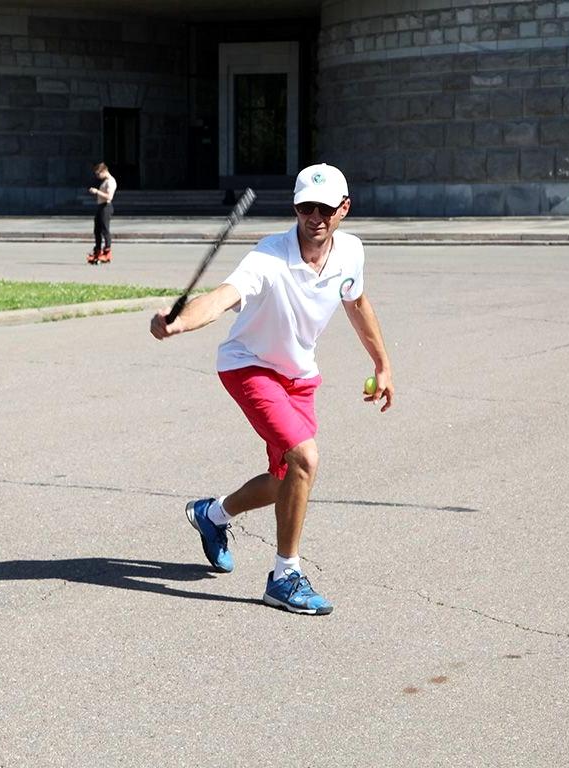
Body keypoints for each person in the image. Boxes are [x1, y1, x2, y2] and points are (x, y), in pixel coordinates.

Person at [150, 163, 394, 616]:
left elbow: (356, 302)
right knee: (306, 457)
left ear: (344, 208)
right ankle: (284, 576)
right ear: (295, 207)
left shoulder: (351, 252)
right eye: (306, 206)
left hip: (299, 374)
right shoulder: (269, 256)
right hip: (249, 367)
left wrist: (381, 364)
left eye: (324, 207)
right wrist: (179, 321)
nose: (314, 216)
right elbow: (223, 296)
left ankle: (213, 514)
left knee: (285, 479)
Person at [86, 162, 117, 264]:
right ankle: (97, 250)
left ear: (104, 171)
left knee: (105, 230)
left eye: (98, 174)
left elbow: (109, 197)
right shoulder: (105, 181)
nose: (97, 177)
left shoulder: (110, 182)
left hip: (106, 207)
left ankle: (107, 252)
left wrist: (96, 192)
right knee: (97, 230)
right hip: (100, 207)